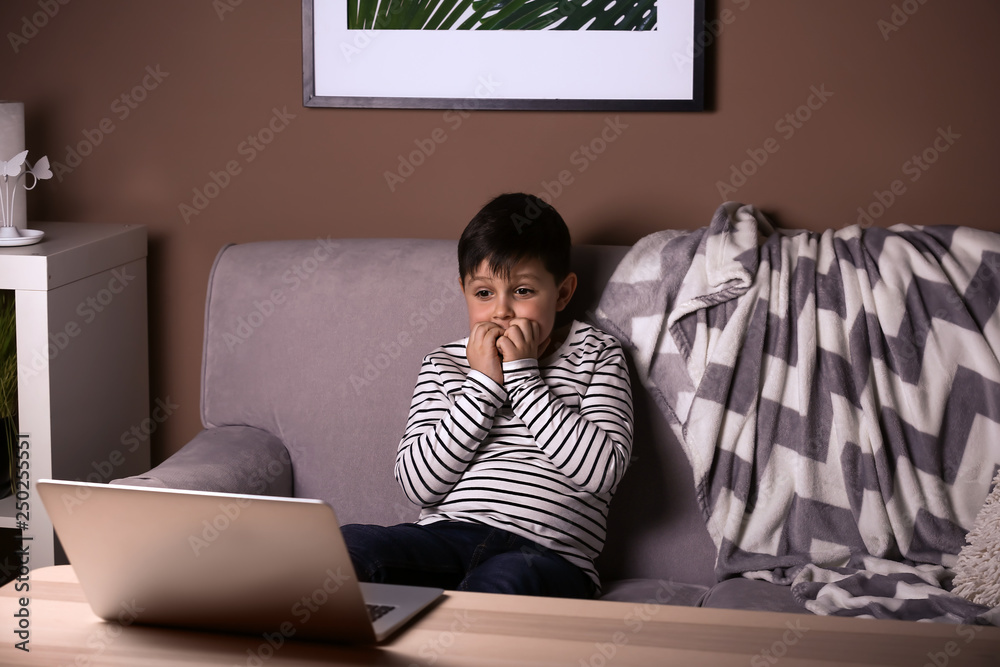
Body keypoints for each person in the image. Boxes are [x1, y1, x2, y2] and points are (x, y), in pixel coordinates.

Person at [342, 193, 633, 599]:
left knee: (502, 585)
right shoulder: (444, 364)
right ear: (464, 290)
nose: (501, 311)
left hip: (548, 555)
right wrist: (482, 385)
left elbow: (601, 474)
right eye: (484, 293)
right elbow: (418, 486)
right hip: (446, 538)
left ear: (563, 293)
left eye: (523, 291)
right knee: (347, 548)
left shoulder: (596, 354)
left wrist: (523, 378)